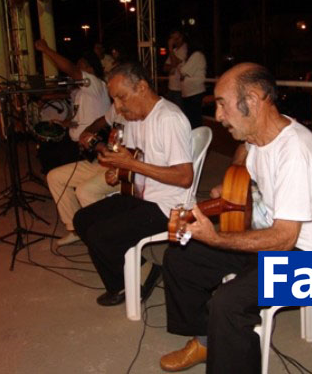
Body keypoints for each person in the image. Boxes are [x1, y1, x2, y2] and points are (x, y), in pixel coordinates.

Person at [160, 63, 312, 374]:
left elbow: (284, 239)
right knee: (181, 258)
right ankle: (205, 340)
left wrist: (215, 238)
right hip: (269, 242)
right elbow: (245, 149)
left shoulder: (293, 152)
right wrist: (233, 178)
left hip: (307, 260)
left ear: (253, 101)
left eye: (222, 104)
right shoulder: (259, 137)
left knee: (228, 303)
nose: (217, 116)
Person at [73, 62, 194, 307]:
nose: (117, 106)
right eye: (114, 99)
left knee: (100, 235)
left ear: (141, 87)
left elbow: (184, 177)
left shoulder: (168, 118)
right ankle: (143, 271)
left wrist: (132, 166)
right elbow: (136, 158)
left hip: (169, 206)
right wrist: (119, 171)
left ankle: (127, 286)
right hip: (141, 197)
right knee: (82, 220)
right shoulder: (135, 118)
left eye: (121, 97)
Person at [46, 104, 130, 246]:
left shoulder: (140, 115)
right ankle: (75, 230)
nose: (115, 100)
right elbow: (101, 121)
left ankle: (109, 239)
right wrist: (86, 132)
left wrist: (100, 147)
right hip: (104, 162)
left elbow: (134, 157)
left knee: (84, 191)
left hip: (124, 169)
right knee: (54, 177)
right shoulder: (118, 105)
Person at [34, 39, 111, 173]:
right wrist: (64, 123)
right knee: (45, 150)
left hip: (87, 146)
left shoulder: (96, 84)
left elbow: (70, 69)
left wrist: (47, 50)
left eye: (80, 67)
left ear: (90, 69)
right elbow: (79, 116)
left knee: (54, 160)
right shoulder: (81, 92)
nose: (76, 72)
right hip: (74, 140)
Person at [178, 32, 207, 128]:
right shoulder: (190, 56)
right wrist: (183, 73)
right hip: (189, 93)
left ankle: (197, 141)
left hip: (195, 93)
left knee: (195, 121)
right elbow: (181, 69)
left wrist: (183, 73)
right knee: (191, 120)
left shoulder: (197, 55)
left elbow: (182, 70)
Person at [163, 29, 187, 110]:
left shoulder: (185, 49)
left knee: (179, 112)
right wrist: (172, 65)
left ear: (181, 38)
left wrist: (170, 48)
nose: (174, 41)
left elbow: (174, 63)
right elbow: (165, 68)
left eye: (176, 39)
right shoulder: (174, 51)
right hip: (171, 87)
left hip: (179, 89)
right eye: (173, 39)